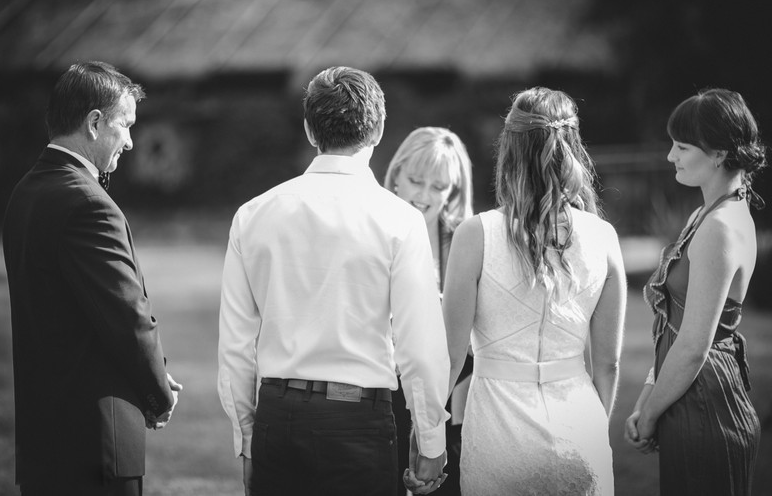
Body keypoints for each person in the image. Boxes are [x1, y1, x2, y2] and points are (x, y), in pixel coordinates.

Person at [217, 66, 451, 496]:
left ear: (309, 131)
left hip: (278, 417)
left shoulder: (253, 215)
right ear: (378, 130)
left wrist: (247, 442)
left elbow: (235, 345)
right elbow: (420, 343)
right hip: (358, 420)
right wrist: (431, 436)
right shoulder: (400, 220)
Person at [2, 61, 181, 496]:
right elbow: (126, 316)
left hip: (45, 441)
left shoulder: (26, 192)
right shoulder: (88, 203)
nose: (132, 141)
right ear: (95, 123)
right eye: (126, 124)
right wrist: (159, 393)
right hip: (96, 444)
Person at [442, 87, 626, 495]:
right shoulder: (604, 237)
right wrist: (598, 428)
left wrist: (428, 435)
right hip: (580, 426)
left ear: (509, 150)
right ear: (573, 148)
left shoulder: (476, 235)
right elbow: (608, 364)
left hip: (499, 430)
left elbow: (452, 356)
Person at [624, 88, 765, 495]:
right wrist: (650, 395)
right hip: (687, 395)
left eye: (682, 146)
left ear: (719, 153)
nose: (671, 156)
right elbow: (673, 325)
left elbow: (693, 345)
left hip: (707, 404)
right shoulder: (704, 215)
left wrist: (649, 414)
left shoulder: (719, 228)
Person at [384, 127, 473, 496]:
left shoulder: (464, 240)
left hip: (449, 396)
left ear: (453, 190)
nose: (423, 196)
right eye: (416, 181)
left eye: (438, 187)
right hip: (384, 391)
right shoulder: (375, 229)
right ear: (396, 176)